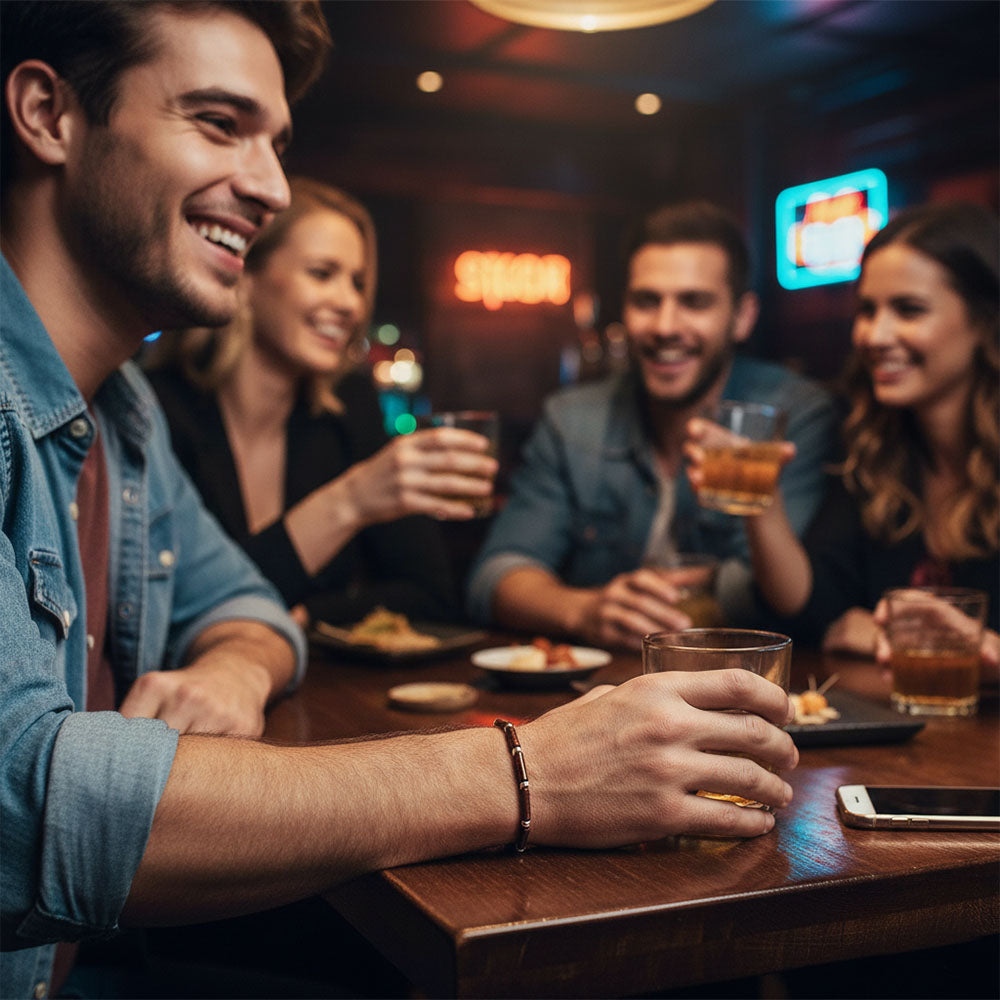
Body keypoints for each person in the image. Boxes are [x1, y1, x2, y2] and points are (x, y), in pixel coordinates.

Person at [0, 4, 798, 998]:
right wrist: (530, 772)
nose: (270, 186)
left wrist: (238, 665)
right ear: (48, 114)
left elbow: (250, 603)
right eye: (217, 123)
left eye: (277, 144)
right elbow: (24, 808)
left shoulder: (123, 419)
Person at [466, 201, 837, 649]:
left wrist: (725, 582)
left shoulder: (793, 412)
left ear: (742, 317)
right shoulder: (573, 419)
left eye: (694, 302)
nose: (664, 326)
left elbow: (790, 594)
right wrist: (582, 610)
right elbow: (495, 576)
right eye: (646, 301)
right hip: (601, 697)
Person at [145, 176, 491, 630]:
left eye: (358, 282)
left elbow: (431, 595)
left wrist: (308, 618)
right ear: (245, 276)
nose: (350, 303)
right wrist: (350, 500)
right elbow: (174, 611)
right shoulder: (158, 407)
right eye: (322, 273)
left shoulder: (349, 405)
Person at [686, 201, 999, 668]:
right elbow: (810, 606)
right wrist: (762, 498)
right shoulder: (874, 445)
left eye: (909, 310)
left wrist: (982, 648)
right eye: (867, 310)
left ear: (984, 321)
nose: (874, 335)